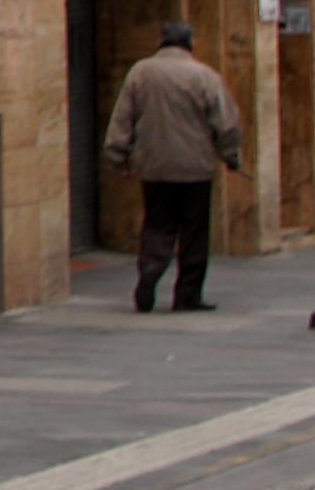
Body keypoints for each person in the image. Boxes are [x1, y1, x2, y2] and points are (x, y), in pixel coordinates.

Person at [101, 20, 245, 312]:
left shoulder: (140, 73)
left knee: (157, 223)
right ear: (190, 43)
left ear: (161, 42)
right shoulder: (203, 76)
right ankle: (188, 293)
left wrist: (118, 155)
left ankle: (151, 268)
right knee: (194, 231)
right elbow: (226, 123)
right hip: (195, 168)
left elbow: (122, 118)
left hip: (154, 165)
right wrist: (230, 155)